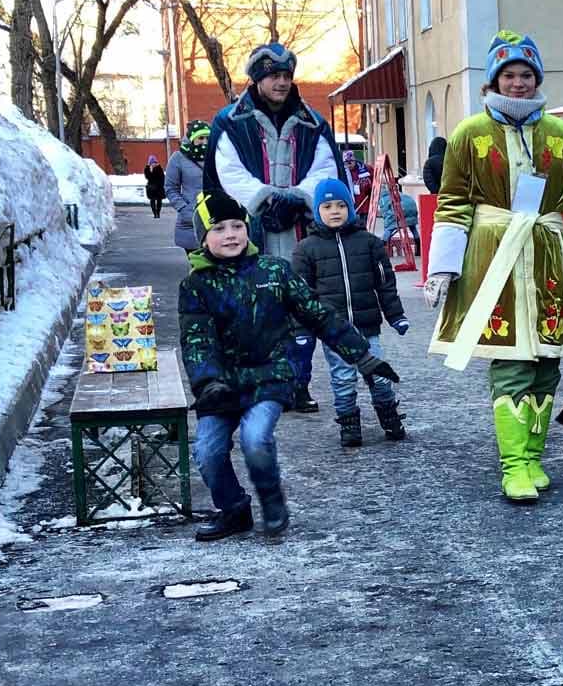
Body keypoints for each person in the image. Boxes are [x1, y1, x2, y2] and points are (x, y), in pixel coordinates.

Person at [426, 30, 563, 504]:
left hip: (548, 261)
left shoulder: (561, 136)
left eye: (526, 75)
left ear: (537, 79)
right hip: (494, 257)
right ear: (494, 81)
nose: (518, 83)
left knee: (547, 365)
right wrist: (443, 269)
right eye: (509, 75)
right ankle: (514, 464)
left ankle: (534, 457)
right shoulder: (469, 135)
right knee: (513, 360)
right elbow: (453, 202)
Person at [181, 190, 398, 542]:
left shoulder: (274, 271)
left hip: (269, 375)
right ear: (203, 237)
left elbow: (318, 315)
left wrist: (363, 356)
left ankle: (272, 502)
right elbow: (195, 339)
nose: (231, 234)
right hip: (218, 386)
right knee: (208, 452)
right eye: (219, 229)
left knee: (255, 439)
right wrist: (207, 384)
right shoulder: (195, 285)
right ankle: (234, 509)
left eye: (237, 225)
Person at [204, 42, 346, 414]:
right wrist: (265, 199)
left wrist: (297, 197)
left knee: (301, 308)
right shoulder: (230, 122)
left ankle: (298, 385)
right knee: (253, 309)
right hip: (252, 229)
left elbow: (325, 168)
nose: (282, 82)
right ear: (257, 78)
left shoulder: (314, 123)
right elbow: (227, 172)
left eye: (286, 75)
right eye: (273, 76)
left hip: (301, 230)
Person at [292, 179, 411, 448]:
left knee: (379, 376)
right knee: (343, 379)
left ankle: (390, 417)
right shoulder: (306, 249)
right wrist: (302, 332)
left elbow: (385, 284)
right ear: (316, 210)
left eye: (341, 205)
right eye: (327, 206)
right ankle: (348, 423)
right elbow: (301, 296)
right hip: (334, 333)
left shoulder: (369, 243)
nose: (335, 211)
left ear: (350, 207)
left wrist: (396, 316)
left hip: (368, 327)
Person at [164, 121, 210, 253]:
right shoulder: (178, 158)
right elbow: (170, 188)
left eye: (208, 138)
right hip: (191, 220)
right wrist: (184, 208)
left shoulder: (217, 155)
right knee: (198, 265)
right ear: (191, 138)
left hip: (216, 217)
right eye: (201, 138)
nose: (205, 142)